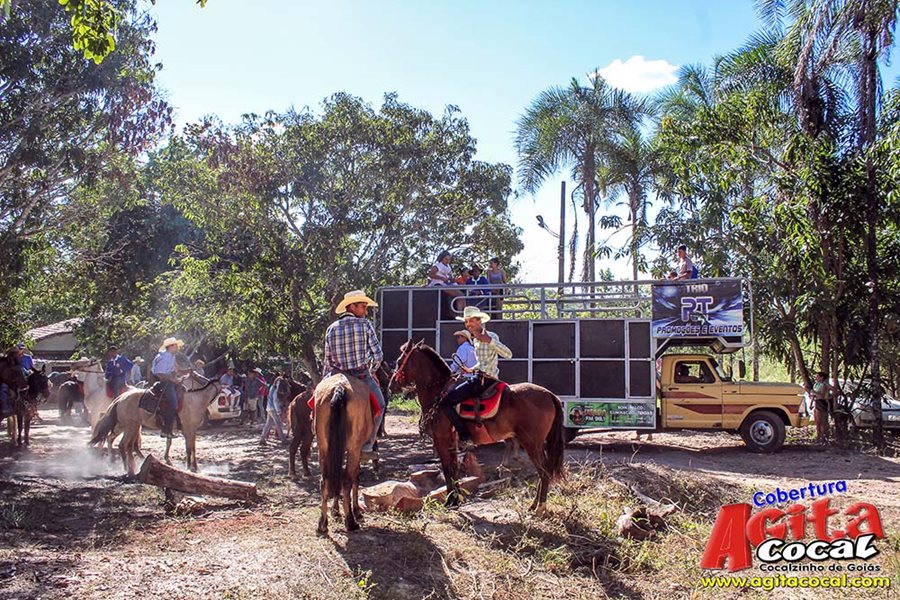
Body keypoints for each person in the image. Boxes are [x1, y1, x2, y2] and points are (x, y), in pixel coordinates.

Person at [323, 289, 386, 458]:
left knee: (316, 404)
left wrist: (324, 381)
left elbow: (327, 360)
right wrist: (371, 370)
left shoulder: (331, 328)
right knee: (380, 405)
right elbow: (378, 355)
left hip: (337, 375)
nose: (366, 310)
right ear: (352, 307)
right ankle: (367, 445)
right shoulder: (365, 325)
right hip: (360, 375)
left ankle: (319, 436)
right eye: (363, 306)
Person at [439, 306, 512, 443]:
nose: (468, 325)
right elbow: (483, 363)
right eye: (466, 322)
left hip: (484, 381)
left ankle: (465, 436)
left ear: (479, 321)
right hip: (478, 376)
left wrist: (490, 341)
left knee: (446, 403)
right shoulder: (475, 340)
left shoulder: (491, 336)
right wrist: (470, 369)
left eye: (471, 321)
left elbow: (508, 354)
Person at [151, 337, 184, 438]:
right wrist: (173, 380)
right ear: (171, 346)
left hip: (171, 381)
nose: (178, 348)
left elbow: (175, 370)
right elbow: (160, 374)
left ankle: (178, 424)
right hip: (166, 383)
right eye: (176, 346)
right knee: (173, 404)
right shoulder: (163, 357)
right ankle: (165, 430)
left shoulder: (172, 357)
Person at [259, 373, 288, 445]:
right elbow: (275, 400)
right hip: (273, 408)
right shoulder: (275, 389)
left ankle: (262, 439)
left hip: (269, 408)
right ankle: (283, 440)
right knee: (278, 424)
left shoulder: (272, 387)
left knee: (268, 424)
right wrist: (278, 411)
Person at [807, 371, 833, 445]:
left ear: (821, 377)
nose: (816, 378)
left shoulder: (824, 385)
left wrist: (829, 397)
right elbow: (813, 395)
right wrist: (811, 404)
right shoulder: (816, 384)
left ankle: (823, 437)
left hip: (822, 402)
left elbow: (821, 395)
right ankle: (818, 437)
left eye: (818, 376)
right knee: (817, 422)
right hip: (816, 402)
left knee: (822, 421)